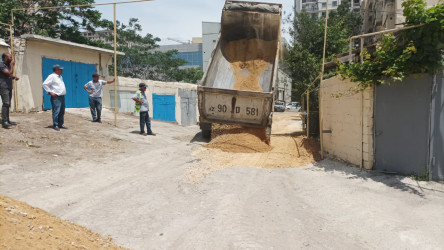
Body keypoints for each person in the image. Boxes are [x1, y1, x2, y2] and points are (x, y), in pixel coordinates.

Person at [42, 65, 67, 131]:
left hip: (62, 96)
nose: (62, 70)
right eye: (60, 69)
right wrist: (50, 92)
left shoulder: (60, 77)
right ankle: (55, 124)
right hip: (56, 97)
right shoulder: (52, 76)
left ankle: (60, 124)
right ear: (56, 70)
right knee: (56, 111)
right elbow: (45, 84)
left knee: (62, 111)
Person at [0, 53, 19, 129]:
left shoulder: (7, 65)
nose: (11, 59)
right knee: (6, 103)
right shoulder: (1, 64)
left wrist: (14, 77)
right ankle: (4, 122)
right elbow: (9, 73)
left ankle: (7, 120)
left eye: (11, 57)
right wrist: (12, 65)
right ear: (4, 58)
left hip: (8, 86)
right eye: (9, 57)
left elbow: (9, 75)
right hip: (3, 86)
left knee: (8, 104)